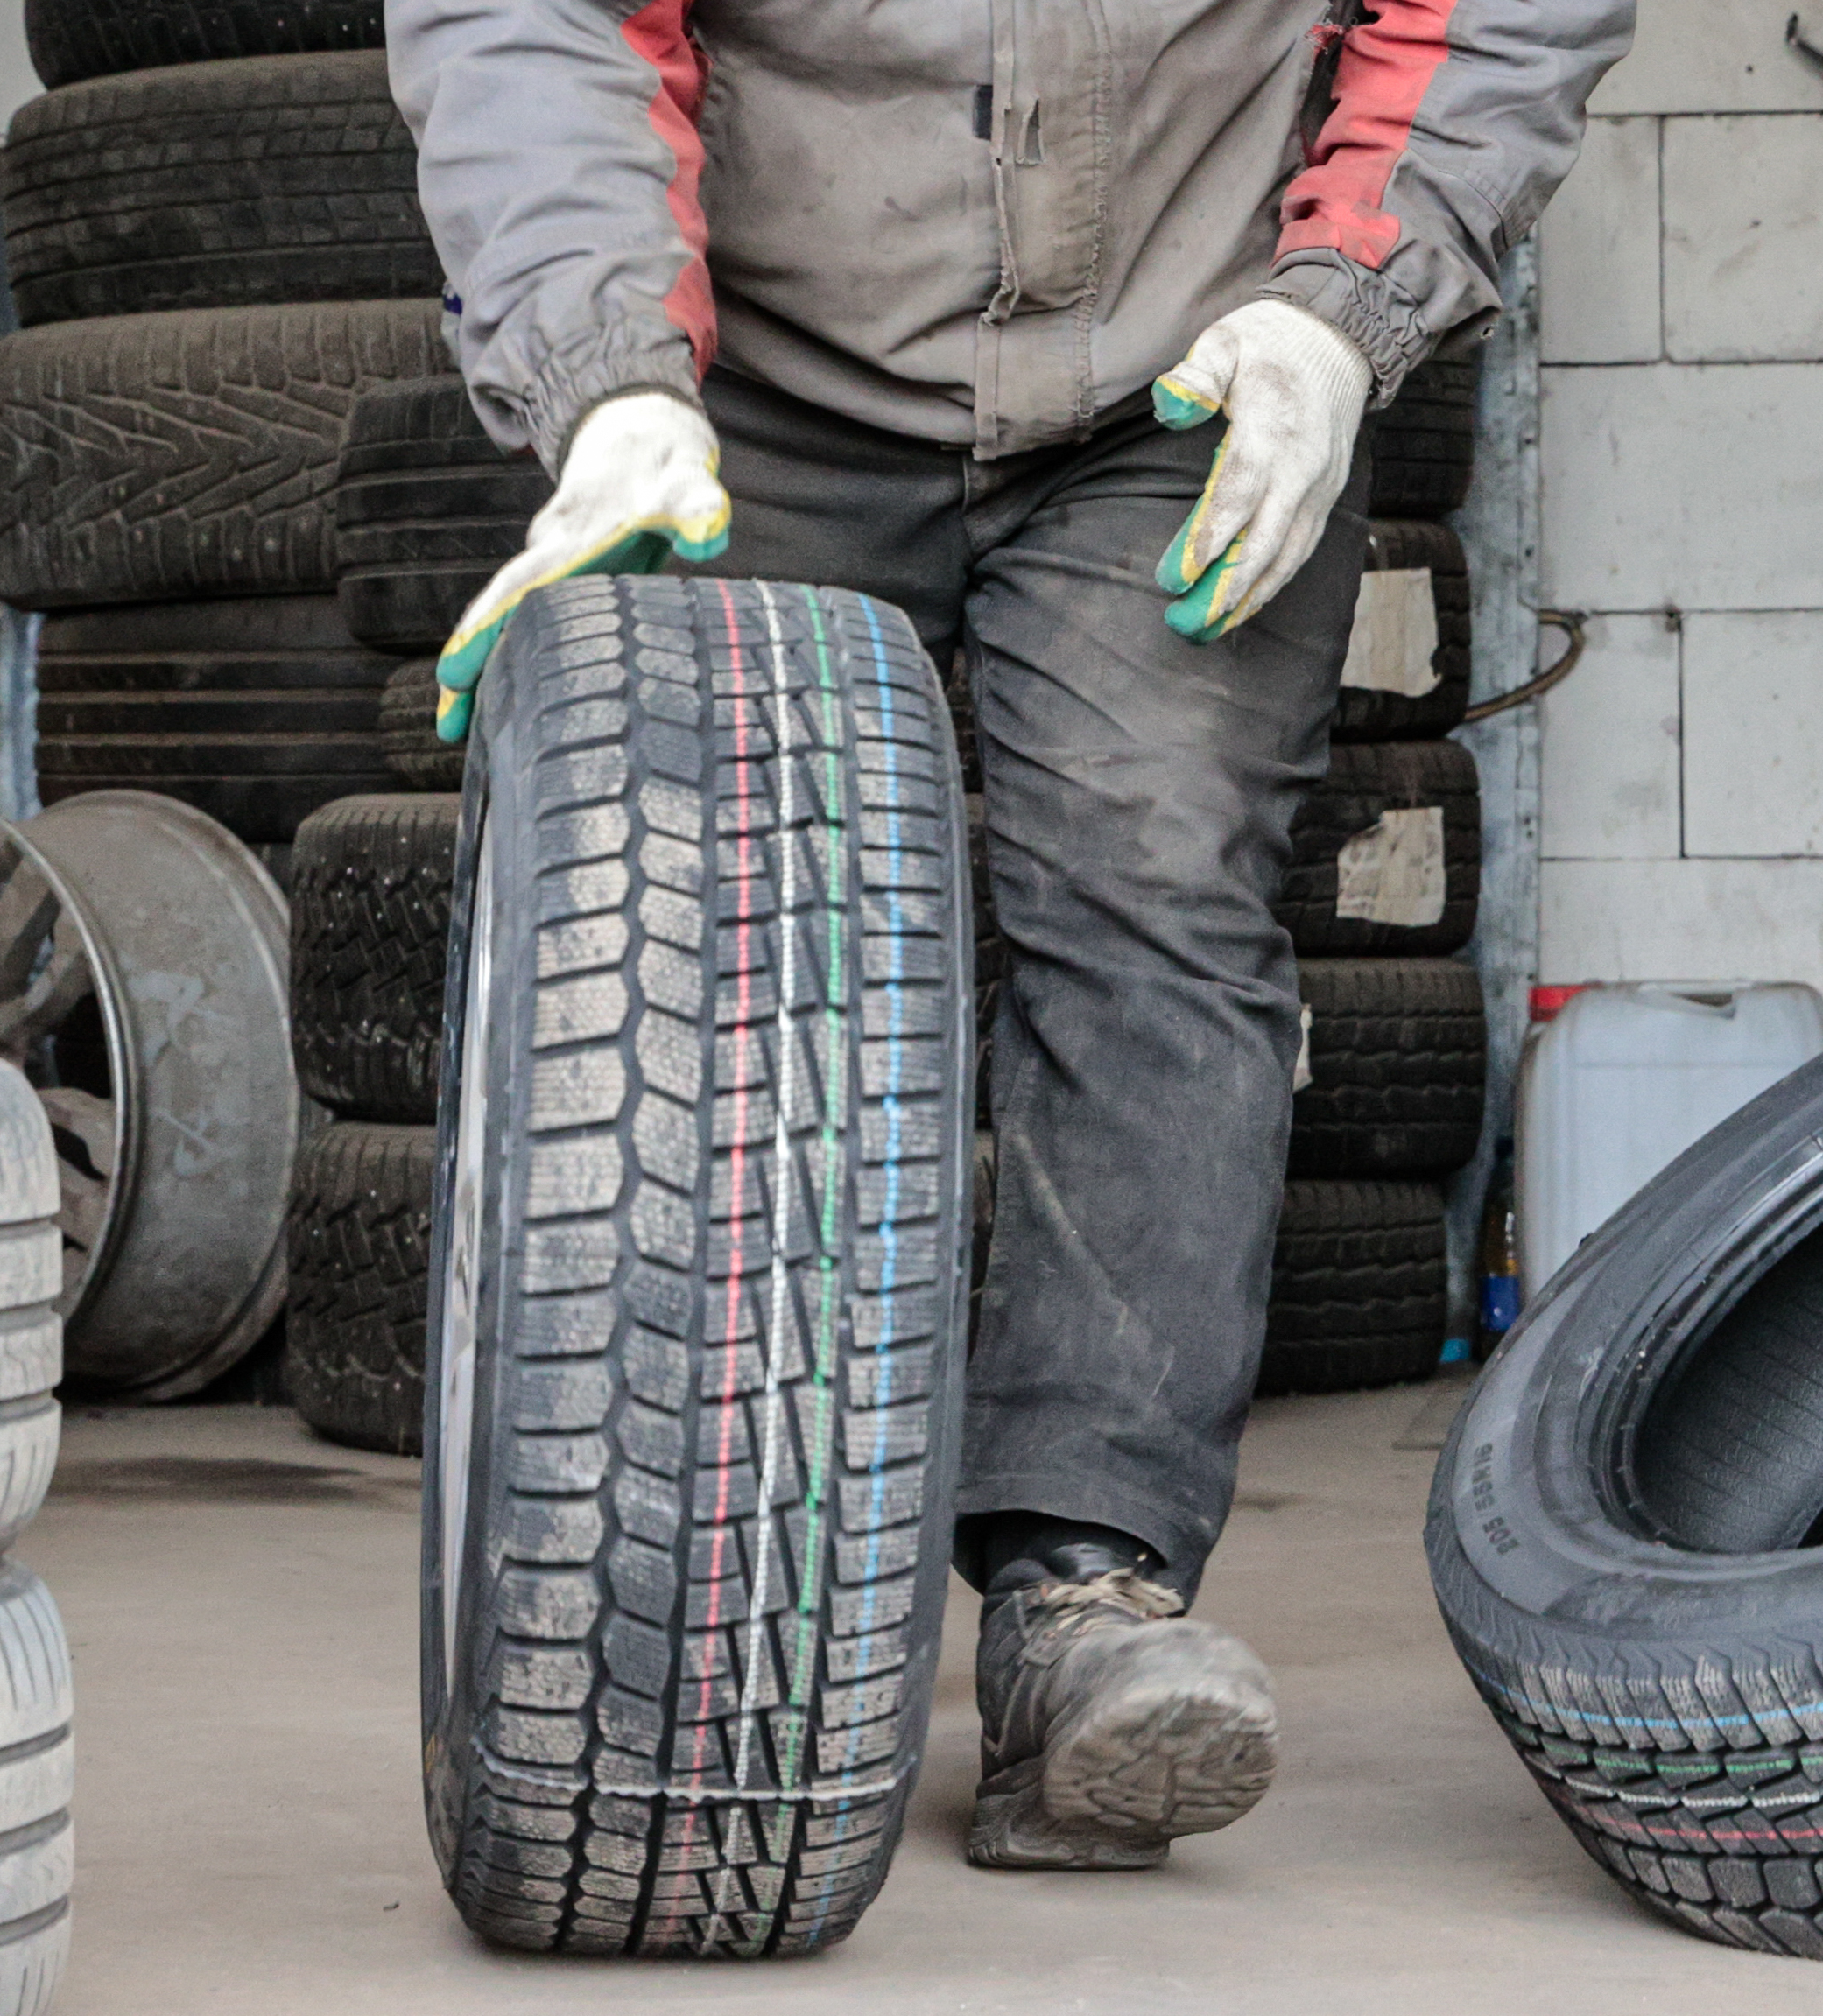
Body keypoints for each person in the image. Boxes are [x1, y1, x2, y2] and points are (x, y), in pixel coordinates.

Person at [389, 0, 1629, 1870]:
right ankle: (678, 1606)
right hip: (745, 384)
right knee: (706, 961)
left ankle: (1082, 1604)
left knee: (1159, 902)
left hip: (1187, 373)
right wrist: (601, 364)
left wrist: (1343, 301)